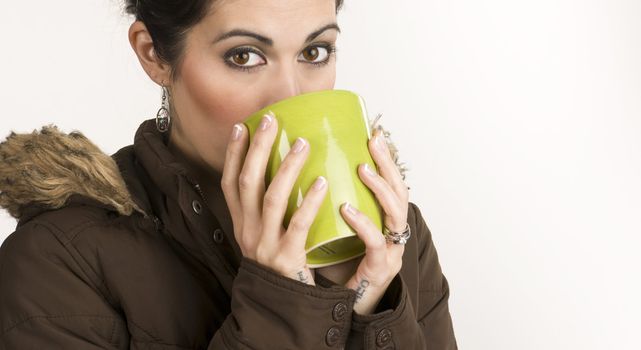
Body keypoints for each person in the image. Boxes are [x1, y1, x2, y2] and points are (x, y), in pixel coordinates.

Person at [0, 0, 457, 348]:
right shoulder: (58, 261)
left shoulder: (394, 238)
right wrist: (285, 300)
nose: (289, 95)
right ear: (154, 54)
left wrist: (360, 297)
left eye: (315, 52)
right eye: (244, 56)